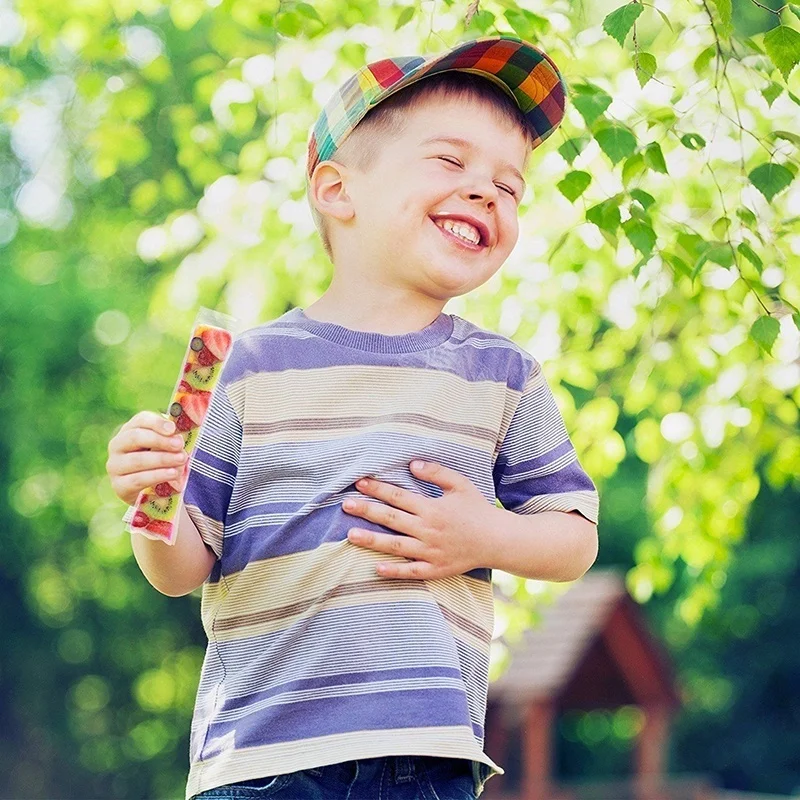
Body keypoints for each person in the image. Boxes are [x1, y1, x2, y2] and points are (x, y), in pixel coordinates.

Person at [107, 34, 600, 800]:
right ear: (338, 191)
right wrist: (155, 496)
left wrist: (485, 537)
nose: (486, 193)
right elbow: (180, 572)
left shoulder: (503, 373)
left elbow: (573, 537)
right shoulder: (245, 366)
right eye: (450, 161)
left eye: (510, 187)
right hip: (259, 762)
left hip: (425, 759)